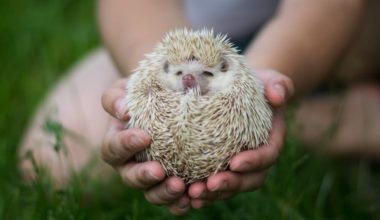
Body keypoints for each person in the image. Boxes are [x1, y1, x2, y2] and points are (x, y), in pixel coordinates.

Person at [20, 0, 380, 215]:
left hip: (340, 25)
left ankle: (341, 107)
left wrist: (255, 90)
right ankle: (336, 120)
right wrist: (155, 72)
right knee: (54, 163)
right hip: (190, 26)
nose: (190, 84)